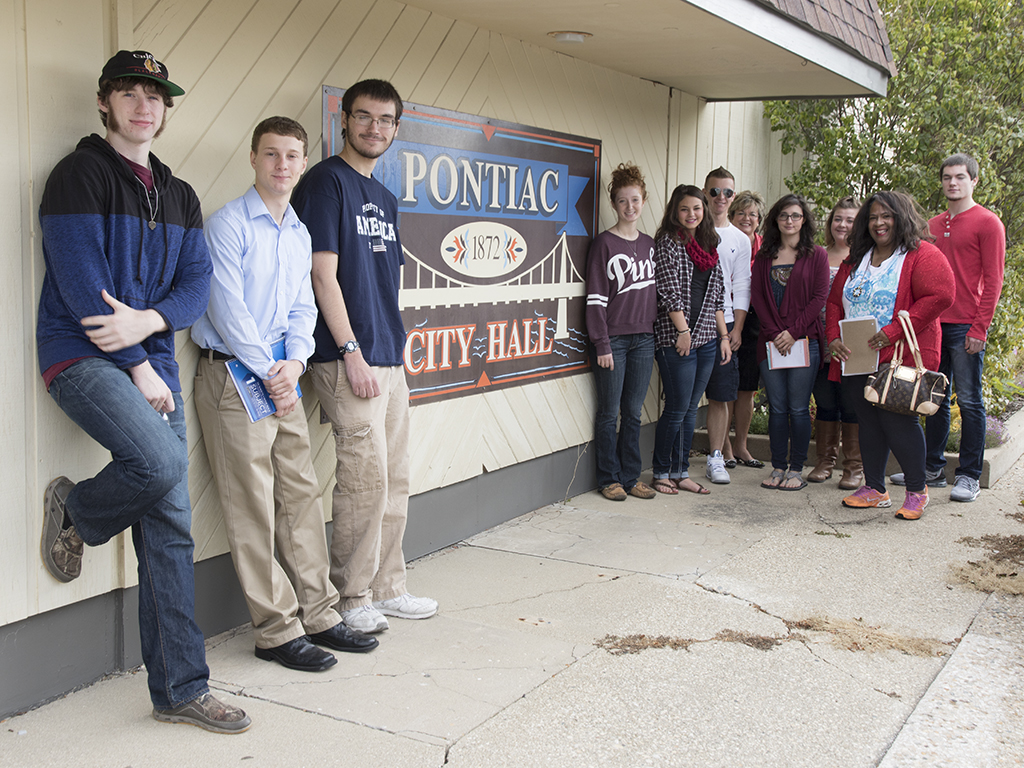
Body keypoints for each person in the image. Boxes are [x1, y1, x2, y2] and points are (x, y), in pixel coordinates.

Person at [37, 50, 250, 732]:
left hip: (151, 361)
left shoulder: (179, 195)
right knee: (157, 466)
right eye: (129, 92)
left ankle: (180, 690)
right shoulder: (79, 176)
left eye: (155, 95)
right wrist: (138, 362)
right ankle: (77, 511)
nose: (143, 105)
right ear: (105, 102)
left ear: (165, 109)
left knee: (170, 531)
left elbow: (195, 286)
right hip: (82, 359)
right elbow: (81, 287)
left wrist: (153, 324)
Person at [192, 117, 378, 672]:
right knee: (252, 505)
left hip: (282, 375)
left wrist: (293, 362)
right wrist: (269, 368)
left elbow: (303, 307)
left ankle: (319, 613)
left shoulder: (299, 232)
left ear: (302, 163)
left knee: (300, 494)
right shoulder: (227, 225)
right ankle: (274, 629)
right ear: (253, 158)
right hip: (232, 377)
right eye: (271, 154)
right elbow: (228, 310)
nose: (282, 165)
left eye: (292, 155)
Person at [290, 79, 437, 635]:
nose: (374, 128)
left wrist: (387, 353)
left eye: (385, 120)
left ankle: (387, 587)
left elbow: (380, 281)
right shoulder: (326, 183)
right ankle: (351, 597)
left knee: (394, 476)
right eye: (364, 117)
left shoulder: (385, 197)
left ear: (396, 129)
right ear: (345, 121)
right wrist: (349, 349)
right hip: (344, 355)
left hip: (387, 353)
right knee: (363, 478)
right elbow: (321, 275)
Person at [827, 191, 954, 520]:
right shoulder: (857, 258)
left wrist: (892, 332)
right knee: (867, 420)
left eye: (886, 216)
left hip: (899, 353)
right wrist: (833, 338)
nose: (879, 223)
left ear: (901, 217)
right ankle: (874, 489)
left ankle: (916, 491)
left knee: (898, 420)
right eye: (872, 217)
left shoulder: (920, 254)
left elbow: (942, 294)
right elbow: (833, 302)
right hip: (857, 354)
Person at [890, 154, 1005, 502]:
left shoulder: (988, 223)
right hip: (932, 324)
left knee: (970, 401)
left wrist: (979, 328)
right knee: (932, 397)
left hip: (966, 325)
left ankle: (968, 475)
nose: (952, 183)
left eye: (959, 177)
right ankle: (932, 468)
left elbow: (994, 280)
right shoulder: (932, 226)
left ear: (974, 181)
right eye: (947, 178)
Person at [650, 185, 731, 495]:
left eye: (697, 208)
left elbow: (717, 296)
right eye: (685, 209)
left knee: (690, 409)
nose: (691, 214)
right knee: (677, 407)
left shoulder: (710, 244)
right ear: (675, 211)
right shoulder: (668, 243)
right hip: (676, 338)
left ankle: (680, 471)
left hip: (708, 338)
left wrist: (723, 336)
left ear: (704, 210)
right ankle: (660, 472)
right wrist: (683, 332)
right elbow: (668, 292)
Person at [586, 163, 657, 501]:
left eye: (635, 200)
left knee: (633, 411)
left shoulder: (649, 245)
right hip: (612, 340)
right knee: (609, 412)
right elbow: (596, 299)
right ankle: (608, 478)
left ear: (643, 201)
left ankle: (631, 476)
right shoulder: (604, 244)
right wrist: (601, 343)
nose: (630, 207)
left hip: (644, 338)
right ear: (613, 204)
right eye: (623, 201)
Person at [750, 195, 829, 490]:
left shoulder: (816, 255)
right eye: (784, 215)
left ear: (804, 219)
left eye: (795, 216)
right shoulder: (764, 256)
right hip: (770, 343)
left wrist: (793, 332)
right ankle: (777, 467)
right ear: (776, 220)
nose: (789, 221)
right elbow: (757, 296)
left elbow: (819, 298)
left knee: (798, 408)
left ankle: (796, 469)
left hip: (803, 341)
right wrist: (775, 332)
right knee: (777, 407)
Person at [808, 197, 863, 488]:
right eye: (838, 219)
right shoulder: (818, 254)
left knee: (852, 403)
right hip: (820, 338)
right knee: (826, 401)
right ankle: (825, 461)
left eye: (850, 219)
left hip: (852, 342)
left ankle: (853, 467)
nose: (842, 225)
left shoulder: (867, 257)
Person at [701, 168, 752, 484]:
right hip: (693, 323)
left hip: (728, 325)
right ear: (705, 193)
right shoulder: (692, 231)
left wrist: (737, 329)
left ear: (733, 196)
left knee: (721, 395)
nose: (721, 198)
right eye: (715, 191)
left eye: (727, 192)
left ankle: (716, 457)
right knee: (683, 396)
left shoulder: (739, 239)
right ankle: (676, 457)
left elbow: (742, 285)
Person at [727, 190, 767, 470]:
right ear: (731, 216)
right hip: (727, 318)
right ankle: (725, 447)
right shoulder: (726, 241)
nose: (746, 218)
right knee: (726, 387)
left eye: (752, 214)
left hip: (756, 324)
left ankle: (741, 445)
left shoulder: (767, 250)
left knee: (747, 389)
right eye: (741, 212)